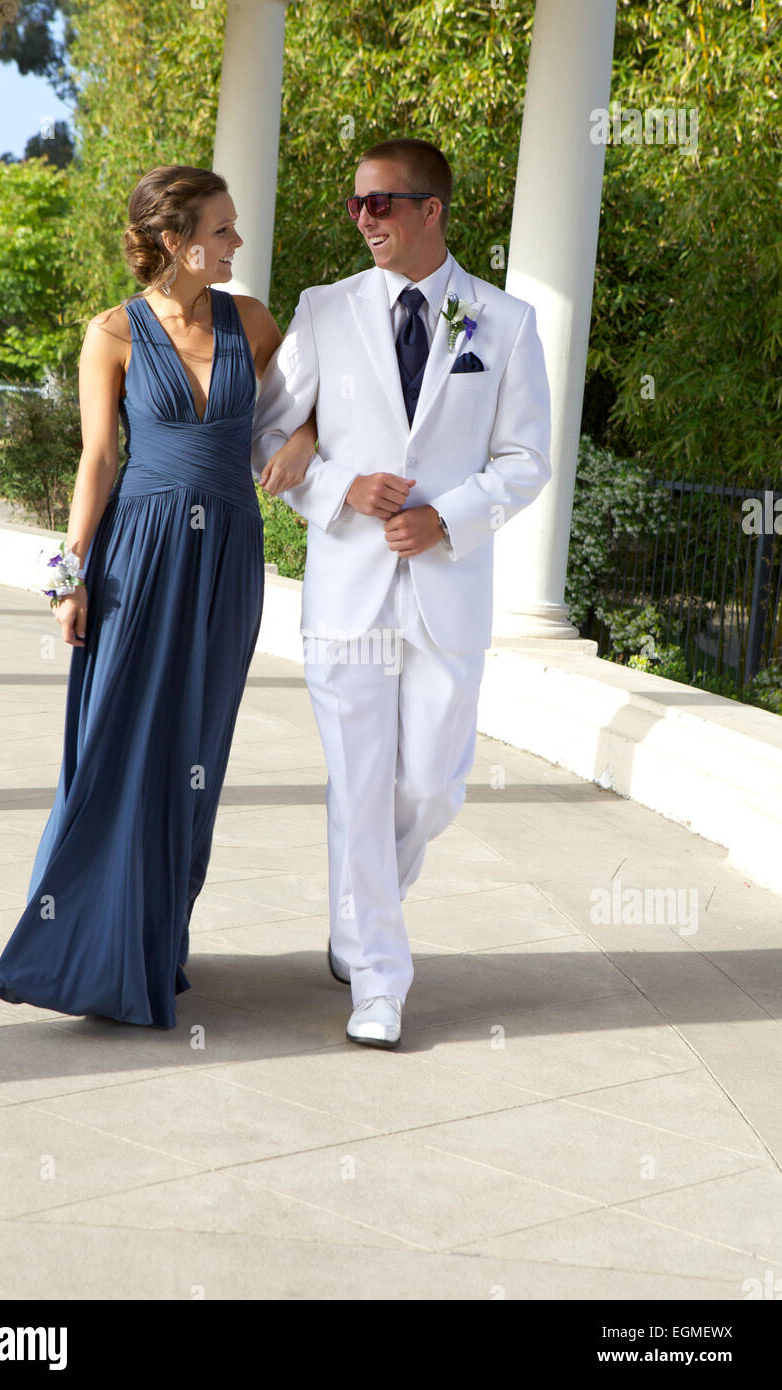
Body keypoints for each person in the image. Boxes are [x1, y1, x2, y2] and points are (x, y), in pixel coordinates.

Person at [0, 165, 315, 1028]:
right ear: (175, 241)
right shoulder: (113, 334)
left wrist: (310, 438)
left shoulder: (252, 321)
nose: (237, 243)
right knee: (114, 744)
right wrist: (68, 579)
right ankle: (80, 950)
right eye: (224, 228)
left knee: (193, 753)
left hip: (228, 561)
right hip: (137, 556)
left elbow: (301, 410)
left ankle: (152, 941)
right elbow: (98, 459)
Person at [251, 138, 552, 1049]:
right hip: (348, 586)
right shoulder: (324, 309)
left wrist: (448, 516)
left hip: (446, 588)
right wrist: (340, 482)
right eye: (356, 206)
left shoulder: (503, 321)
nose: (364, 220)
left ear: (433, 210)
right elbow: (265, 436)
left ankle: (360, 903)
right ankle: (378, 979)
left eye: (382, 204)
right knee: (356, 784)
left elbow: (527, 458)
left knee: (430, 786)